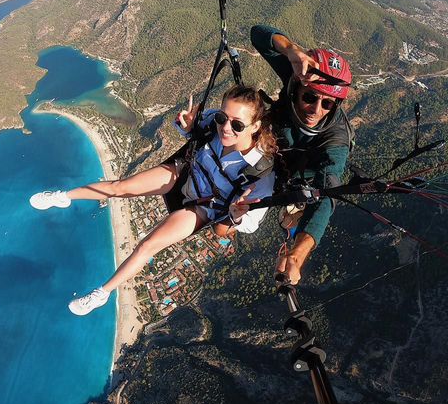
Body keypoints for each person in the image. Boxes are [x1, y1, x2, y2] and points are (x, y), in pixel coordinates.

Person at [29, 85, 278, 315]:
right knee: (121, 187)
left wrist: (236, 213)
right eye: (224, 118)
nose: (226, 127)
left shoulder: (259, 174)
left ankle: (101, 294)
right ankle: (63, 197)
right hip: (185, 173)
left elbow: (247, 225)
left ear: (255, 126)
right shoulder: (214, 120)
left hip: (205, 207)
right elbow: (191, 134)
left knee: (148, 245)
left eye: (237, 125)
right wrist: (189, 126)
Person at [250, 25, 354, 285]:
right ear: (298, 88)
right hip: (269, 154)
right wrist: (290, 50)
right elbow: (258, 35)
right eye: (310, 97)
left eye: (327, 104)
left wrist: (298, 254)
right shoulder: (295, 78)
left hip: (293, 180)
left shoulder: (335, 139)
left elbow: (328, 195)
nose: (315, 109)